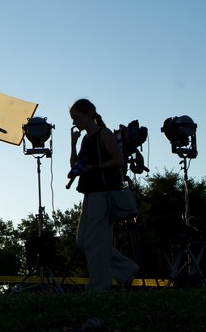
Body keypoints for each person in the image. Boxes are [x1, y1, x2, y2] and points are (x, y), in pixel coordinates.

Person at [69, 98, 139, 291]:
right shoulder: (86, 138)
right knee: (83, 241)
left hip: (103, 193)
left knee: (94, 242)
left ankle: (99, 286)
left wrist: (96, 167)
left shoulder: (103, 134)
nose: (74, 122)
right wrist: (73, 143)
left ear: (89, 114)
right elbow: (75, 166)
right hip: (89, 193)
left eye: (76, 117)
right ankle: (126, 270)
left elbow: (118, 161)